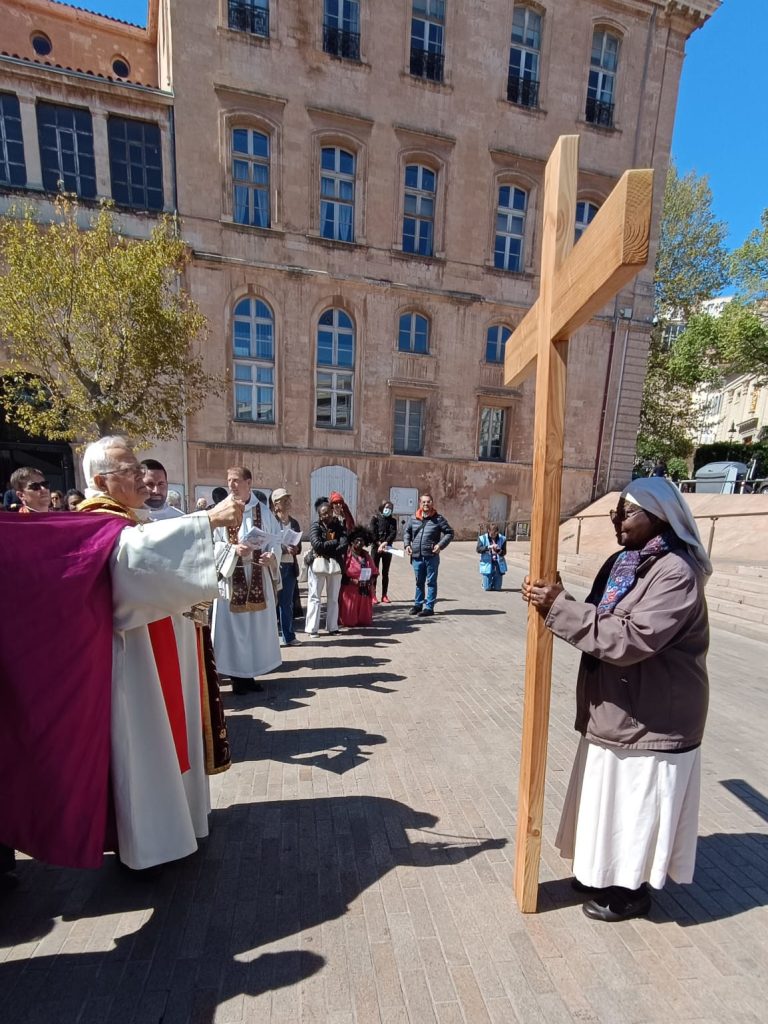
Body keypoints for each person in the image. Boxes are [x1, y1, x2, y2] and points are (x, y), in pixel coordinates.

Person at [0, 435, 243, 872]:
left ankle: (174, 827)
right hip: (132, 661)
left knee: (167, 743)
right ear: (101, 481)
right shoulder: (97, 523)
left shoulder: (126, 518)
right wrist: (206, 521)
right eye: (130, 471)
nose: (142, 479)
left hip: (156, 650)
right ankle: (150, 845)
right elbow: (135, 561)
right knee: (144, 747)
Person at [522, 477, 712, 922]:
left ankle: (630, 891)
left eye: (625, 512)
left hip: (653, 718)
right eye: (614, 512)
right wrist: (559, 597)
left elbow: (629, 639)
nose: (616, 520)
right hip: (616, 708)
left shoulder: (676, 573)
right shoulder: (622, 563)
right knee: (607, 801)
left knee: (635, 808)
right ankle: (600, 871)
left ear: (660, 516)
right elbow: (593, 615)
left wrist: (560, 607)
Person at [211, 466, 281, 694]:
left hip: (257, 574)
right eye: (229, 480)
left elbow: (275, 541)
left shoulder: (264, 511)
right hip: (232, 579)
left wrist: (272, 556)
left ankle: (249, 676)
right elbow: (213, 543)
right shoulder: (220, 510)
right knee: (234, 631)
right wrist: (232, 550)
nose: (231, 485)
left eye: (236, 480)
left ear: (249, 482)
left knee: (253, 630)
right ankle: (236, 678)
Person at [403, 493, 454, 617]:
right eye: (423, 502)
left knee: (431, 582)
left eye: (428, 502)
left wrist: (440, 545)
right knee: (419, 582)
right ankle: (417, 604)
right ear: (420, 504)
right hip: (416, 556)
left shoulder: (438, 519)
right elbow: (407, 532)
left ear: (432, 503)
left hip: (431, 556)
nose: (426, 504)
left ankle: (429, 607)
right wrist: (407, 545)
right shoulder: (413, 518)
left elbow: (449, 533)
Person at [306, 499, 348, 637]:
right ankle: (312, 629)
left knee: (333, 598)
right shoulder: (315, 526)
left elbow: (344, 546)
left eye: (328, 512)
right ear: (319, 515)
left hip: (335, 566)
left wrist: (327, 547)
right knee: (315, 597)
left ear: (332, 511)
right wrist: (334, 543)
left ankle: (332, 627)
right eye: (323, 514)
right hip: (317, 565)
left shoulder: (339, 526)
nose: (327, 516)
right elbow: (317, 545)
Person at [271, 487, 302, 647]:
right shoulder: (271, 521)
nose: (288, 502)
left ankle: (288, 636)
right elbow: (270, 543)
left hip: (290, 567)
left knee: (287, 603)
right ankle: (271, 637)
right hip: (275, 567)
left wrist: (296, 549)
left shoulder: (294, 522)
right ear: (276, 505)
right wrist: (284, 548)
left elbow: (300, 546)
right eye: (284, 500)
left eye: (288, 499)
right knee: (272, 603)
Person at [339, 527, 379, 627]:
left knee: (365, 622)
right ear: (352, 541)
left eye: (362, 541)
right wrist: (353, 581)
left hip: (364, 589)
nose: (360, 543)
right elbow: (341, 574)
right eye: (357, 540)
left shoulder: (366, 555)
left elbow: (374, 572)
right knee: (349, 622)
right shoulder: (346, 556)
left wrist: (371, 581)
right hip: (350, 589)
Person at [369, 500, 397, 604]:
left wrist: (385, 543)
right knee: (374, 572)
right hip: (376, 548)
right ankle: (373, 594)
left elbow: (393, 533)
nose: (388, 510)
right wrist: (378, 544)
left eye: (390, 508)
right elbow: (372, 533)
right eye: (386, 507)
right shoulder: (375, 518)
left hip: (387, 548)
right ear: (381, 508)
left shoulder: (393, 520)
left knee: (386, 572)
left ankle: (384, 595)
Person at [477, 523, 507, 591]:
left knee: (497, 588)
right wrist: (488, 547)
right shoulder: (482, 538)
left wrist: (499, 551)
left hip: (498, 564)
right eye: (492, 534)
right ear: (488, 531)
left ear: (497, 532)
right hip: (487, 564)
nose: (493, 536)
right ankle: (485, 583)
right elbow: (478, 549)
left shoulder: (503, 538)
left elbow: (504, 552)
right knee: (487, 588)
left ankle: (494, 582)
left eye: (495, 534)